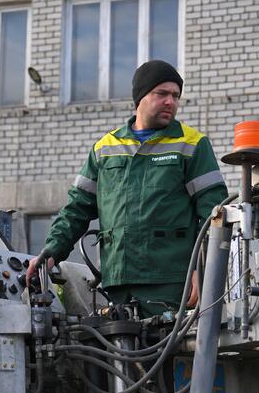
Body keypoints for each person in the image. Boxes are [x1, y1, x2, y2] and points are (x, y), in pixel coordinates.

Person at [26, 60, 228, 317]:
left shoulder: (193, 145)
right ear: (140, 97)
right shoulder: (105, 149)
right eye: (162, 93)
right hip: (116, 285)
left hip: (173, 284)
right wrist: (50, 252)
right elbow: (76, 210)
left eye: (176, 96)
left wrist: (204, 268)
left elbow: (214, 215)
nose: (171, 102)